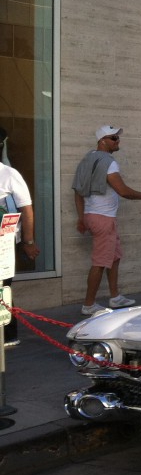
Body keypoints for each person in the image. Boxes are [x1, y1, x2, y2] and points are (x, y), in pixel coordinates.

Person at [72, 125, 141, 315]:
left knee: (114, 257)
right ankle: (89, 304)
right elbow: (123, 191)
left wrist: (82, 217)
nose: (117, 141)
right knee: (100, 262)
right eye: (113, 138)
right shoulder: (109, 162)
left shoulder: (86, 159)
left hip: (95, 216)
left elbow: (77, 192)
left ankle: (115, 297)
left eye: (117, 138)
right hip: (104, 219)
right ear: (102, 141)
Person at [0, 127, 41, 345]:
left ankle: (8, 334)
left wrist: (29, 241)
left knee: (3, 287)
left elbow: (26, 209)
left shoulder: (9, 174)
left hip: (3, 243)